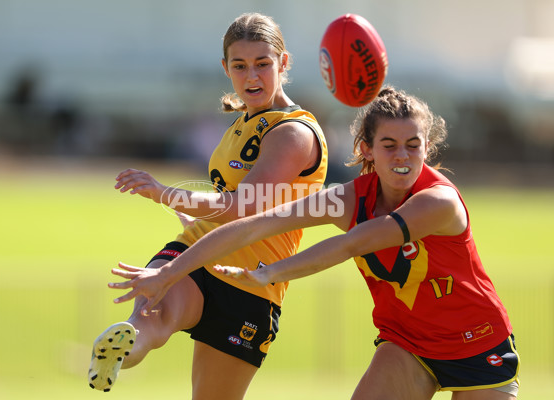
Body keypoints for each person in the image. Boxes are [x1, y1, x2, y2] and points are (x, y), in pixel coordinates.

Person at [109, 87, 520, 399]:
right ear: (367, 150)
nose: (403, 157)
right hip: (407, 342)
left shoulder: (438, 202)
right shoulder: (351, 197)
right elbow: (255, 225)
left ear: (426, 148)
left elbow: (350, 245)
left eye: (413, 145)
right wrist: (168, 272)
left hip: (478, 340)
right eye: (389, 145)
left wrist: (268, 273)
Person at [88, 12, 328, 399]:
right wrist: (191, 212)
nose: (252, 76)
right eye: (240, 66)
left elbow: (242, 207)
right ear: (226, 69)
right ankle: (126, 345)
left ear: (284, 63)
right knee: (154, 315)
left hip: (252, 282)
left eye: (263, 64)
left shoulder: (294, 132)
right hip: (197, 250)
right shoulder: (240, 123)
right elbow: (226, 202)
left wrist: (166, 194)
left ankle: (130, 344)